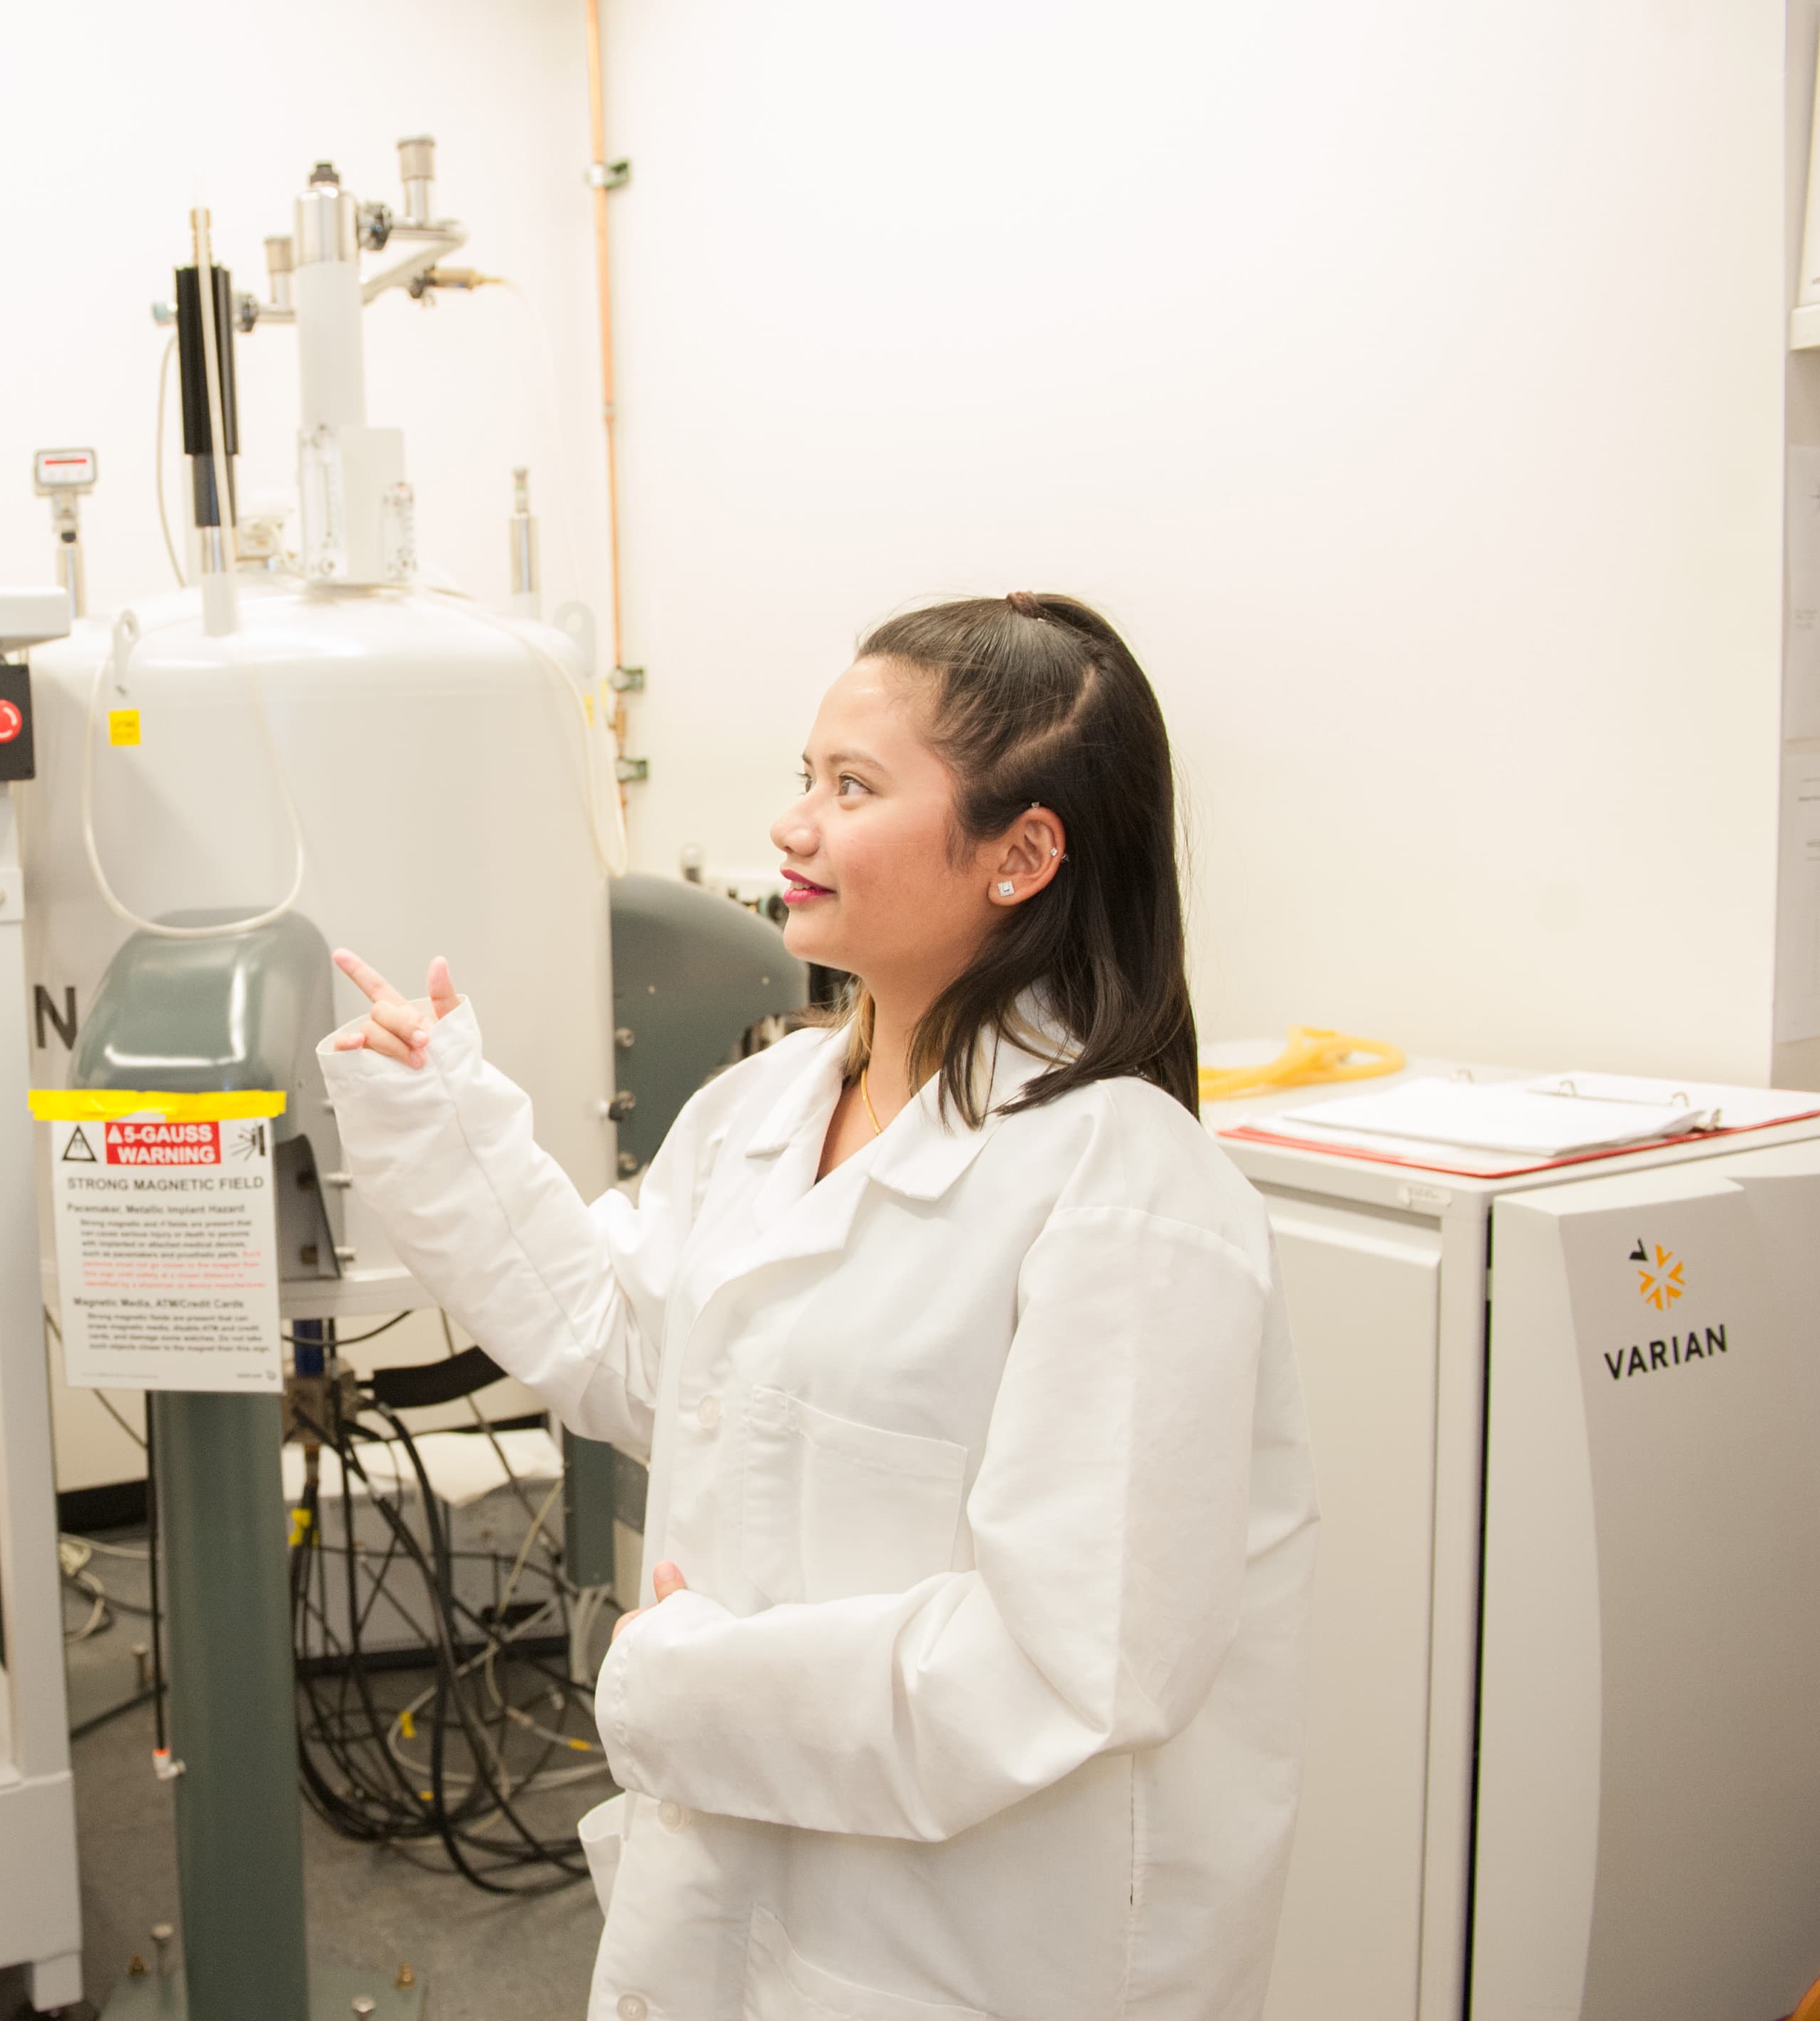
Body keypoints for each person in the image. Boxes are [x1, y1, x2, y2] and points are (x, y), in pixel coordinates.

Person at [320, 594, 1316, 2021]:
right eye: (805, 777)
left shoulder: (1124, 1191)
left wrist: (694, 1693)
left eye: (851, 788)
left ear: (1023, 853)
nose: (791, 826)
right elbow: (630, 1353)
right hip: (736, 1894)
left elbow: (1069, 1660)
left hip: (968, 1945)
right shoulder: (765, 1106)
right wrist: (445, 1123)